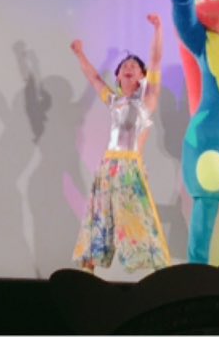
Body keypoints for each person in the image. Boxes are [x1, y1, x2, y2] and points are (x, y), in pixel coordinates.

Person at [68, 14, 171, 276]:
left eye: (134, 66)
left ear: (142, 76)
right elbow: (94, 78)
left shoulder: (147, 99)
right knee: (98, 216)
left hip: (129, 167)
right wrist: (80, 54)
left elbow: (156, 59)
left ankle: (159, 273)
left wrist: (158, 29)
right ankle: (88, 270)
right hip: (107, 166)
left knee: (138, 216)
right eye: (125, 65)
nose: (129, 67)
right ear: (118, 76)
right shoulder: (114, 101)